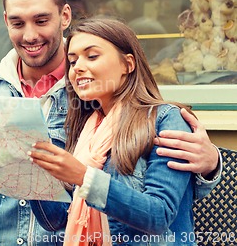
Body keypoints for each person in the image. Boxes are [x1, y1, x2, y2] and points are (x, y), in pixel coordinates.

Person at [0, 0, 221, 246]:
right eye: (74, 60)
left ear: (65, 16)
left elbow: (164, 205)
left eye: (41, 20)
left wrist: (211, 165)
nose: (30, 34)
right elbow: (52, 214)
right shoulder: (80, 116)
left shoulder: (98, 105)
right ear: (5, 21)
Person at [29, 17, 204, 245]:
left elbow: (159, 216)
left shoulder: (165, 120)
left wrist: (84, 177)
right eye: (72, 61)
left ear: (128, 64)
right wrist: (29, 175)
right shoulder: (85, 128)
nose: (78, 67)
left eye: (92, 56)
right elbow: (57, 221)